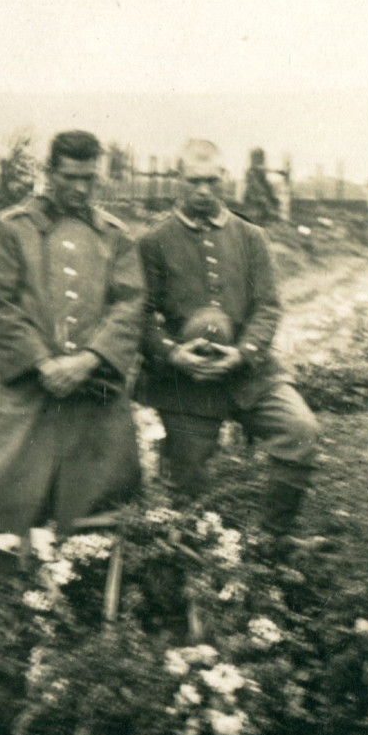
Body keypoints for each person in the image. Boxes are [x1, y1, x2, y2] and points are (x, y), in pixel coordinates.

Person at [0, 130, 145, 644]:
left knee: (106, 492)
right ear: (50, 172)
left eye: (89, 178)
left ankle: (85, 610)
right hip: (30, 388)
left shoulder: (114, 236)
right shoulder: (14, 228)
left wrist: (89, 359)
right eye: (70, 178)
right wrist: (42, 364)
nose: (81, 189)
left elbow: (129, 306)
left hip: (95, 389)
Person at [137, 139, 319, 548]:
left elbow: (268, 307)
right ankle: (198, 551)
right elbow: (140, 315)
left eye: (212, 181)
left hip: (249, 373)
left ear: (224, 180)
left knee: (300, 430)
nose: (204, 190)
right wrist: (171, 354)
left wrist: (243, 353)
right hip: (186, 379)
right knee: (188, 484)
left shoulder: (250, 237)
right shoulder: (154, 241)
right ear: (177, 180)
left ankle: (274, 536)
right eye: (194, 181)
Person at [241, 146, 282, 225]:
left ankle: (270, 215)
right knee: (262, 200)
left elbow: (263, 171)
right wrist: (277, 171)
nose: (261, 160)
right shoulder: (252, 169)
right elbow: (260, 170)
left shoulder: (259, 169)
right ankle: (267, 215)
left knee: (271, 197)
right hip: (254, 190)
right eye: (259, 157)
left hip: (261, 188)